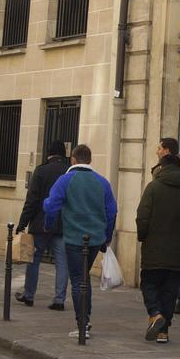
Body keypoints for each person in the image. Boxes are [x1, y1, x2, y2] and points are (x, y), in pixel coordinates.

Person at [43, 144, 117, 340]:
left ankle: (82, 323)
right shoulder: (102, 182)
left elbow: (51, 206)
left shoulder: (65, 180)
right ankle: (86, 318)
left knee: (77, 280)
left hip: (74, 237)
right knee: (84, 278)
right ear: (90, 160)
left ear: (73, 160)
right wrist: (106, 237)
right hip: (94, 239)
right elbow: (111, 212)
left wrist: (49, 225)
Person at [135, 152, 180, 344]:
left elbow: (142, 217)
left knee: (149, 284)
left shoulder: (153, 188)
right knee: (169, 290)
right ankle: (163, 331)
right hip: (177, 250)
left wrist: (143, 236)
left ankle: (155, 314)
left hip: (153, 248)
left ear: (162, 167)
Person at [14, 142, 70, 310]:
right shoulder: (68, 172)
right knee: (62, 262)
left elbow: (31, 200)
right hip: (61, 225)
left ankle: (29, 295)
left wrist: (22, 223)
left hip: (40, 225)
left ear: (49, 154)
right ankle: (59, 299)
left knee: (34, 260)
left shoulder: (41, 170)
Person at [151, 137, 180, 314]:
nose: (157, 151)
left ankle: (165, 293)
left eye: (159, 148)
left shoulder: (163, 169)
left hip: (163, 218)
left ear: (167, 150)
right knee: (179, 258)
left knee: (162, 259)